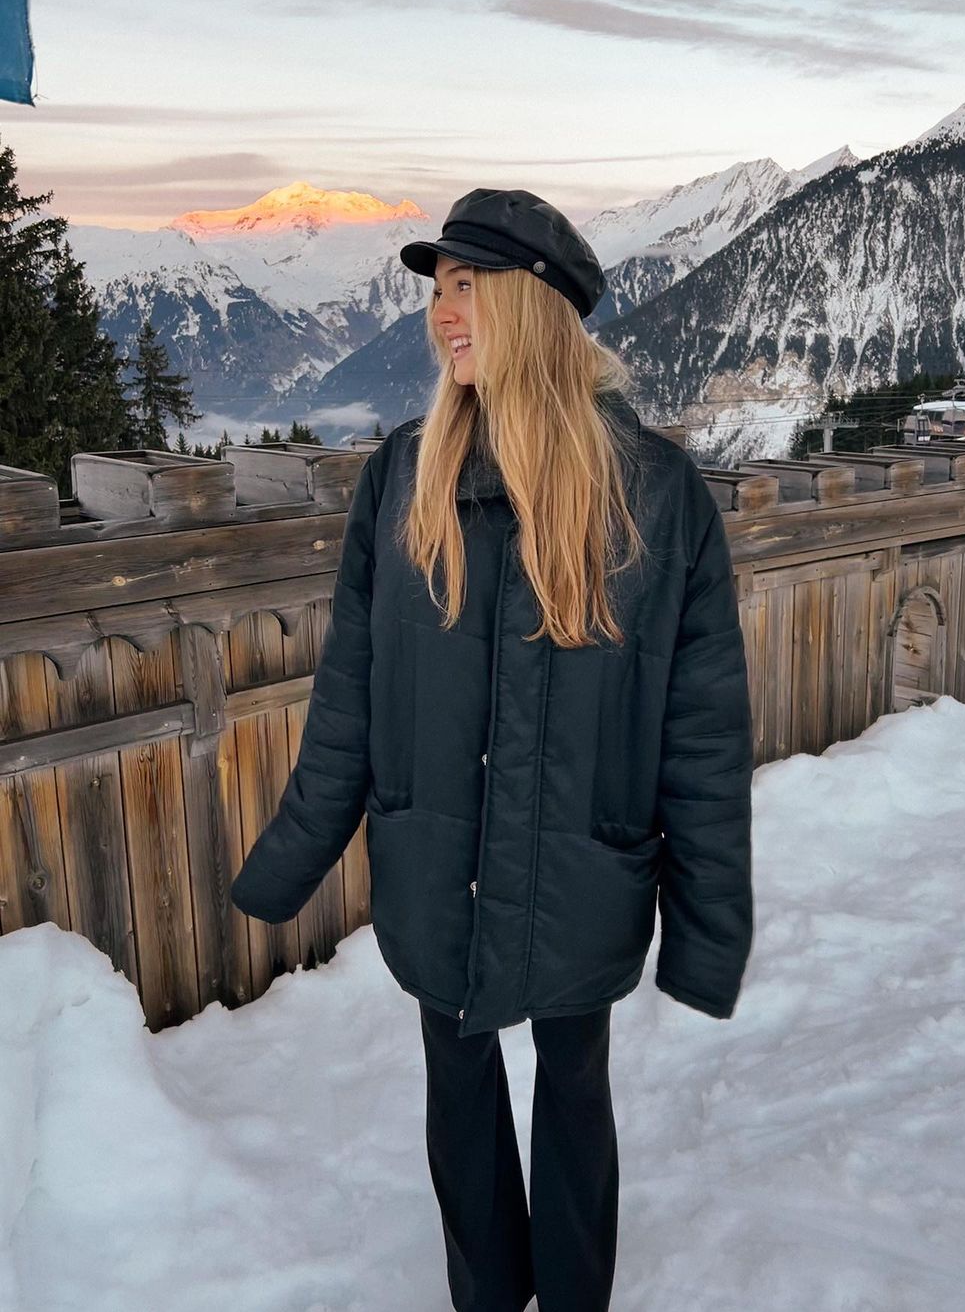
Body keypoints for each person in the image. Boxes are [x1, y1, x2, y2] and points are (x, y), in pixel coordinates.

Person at [230, 187, 755, 1312]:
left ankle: (571, 1293)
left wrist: (708, 932)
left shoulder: (656, 496)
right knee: (458, 1091)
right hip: (433, 861)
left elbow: (703, 735)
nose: (441, 312)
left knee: (574, 1090)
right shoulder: (402, 476)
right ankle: (485, 1291)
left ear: (530, 304)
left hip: (583, 868)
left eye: (466, 285)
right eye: (438, 288)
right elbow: (351, 690)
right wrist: (290, 857)